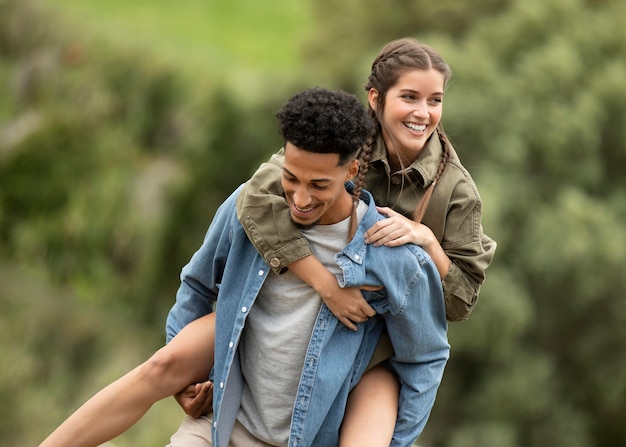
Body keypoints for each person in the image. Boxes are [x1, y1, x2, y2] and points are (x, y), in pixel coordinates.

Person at [39, 87, 449, 447]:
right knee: (160, 365)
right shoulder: (248, 208)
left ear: (352, 170)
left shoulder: (396, 258)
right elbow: (198, 287)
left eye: (319, 184)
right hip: (221, 424)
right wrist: (186, 381)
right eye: (291, 178)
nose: (301, 197)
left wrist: (392, 442)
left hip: (306, 438)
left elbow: (424, 359)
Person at [178, 37, 497, 445]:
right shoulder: (338, 143)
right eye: (410, 97)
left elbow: (458, 302)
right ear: (376, 98)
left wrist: (427, 243)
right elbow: (255, 200)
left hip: (373, 357)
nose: (423, 112)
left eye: (435, 100)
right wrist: (325, 284)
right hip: (298, 331)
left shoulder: (457, 191)